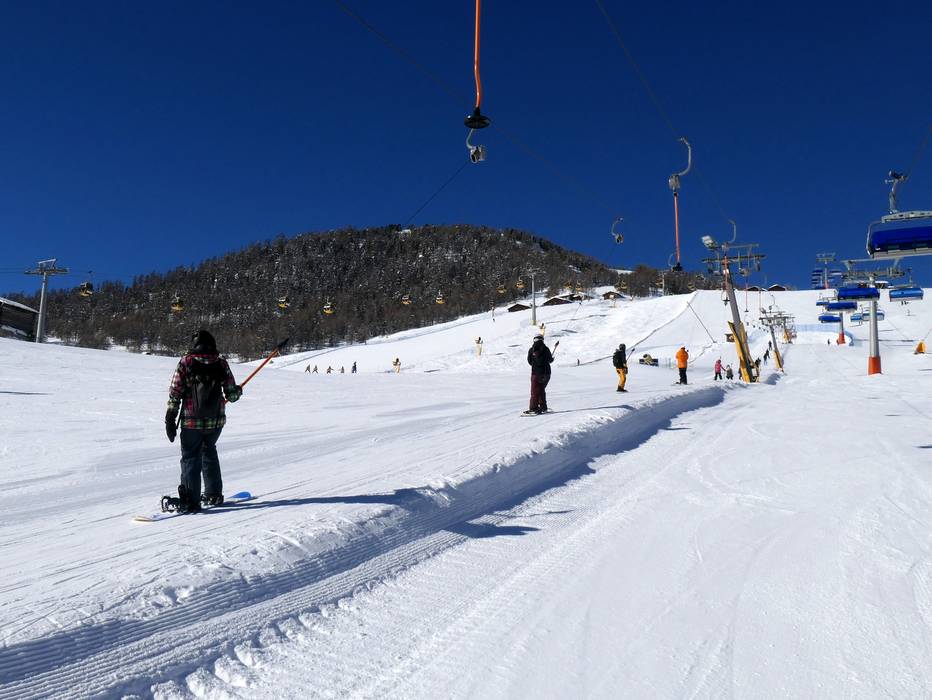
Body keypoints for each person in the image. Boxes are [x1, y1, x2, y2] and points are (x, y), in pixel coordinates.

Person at [164, 330, 242, 512]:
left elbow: (175, 392)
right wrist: (238, 390)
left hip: (191, 422)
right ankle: (214, 494)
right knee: (209, 451)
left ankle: (191, 500)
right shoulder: (221, 363)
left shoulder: (186, 362)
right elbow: (232, 395)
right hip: (215, 423)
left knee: (191, 457)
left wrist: (170, 418)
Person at [525, 333, 553, 414]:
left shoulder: (532, 349)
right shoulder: (546, 349)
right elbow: (550, 360)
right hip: (546, 373)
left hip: (536, 374)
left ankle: (534, 408)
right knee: (541, 389)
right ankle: (543, 406)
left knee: (535, 391)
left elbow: (530, 362)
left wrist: (535, 364)